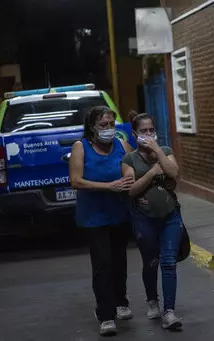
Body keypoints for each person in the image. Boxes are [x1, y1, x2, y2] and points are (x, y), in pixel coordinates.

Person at [70, 106, 134, 336]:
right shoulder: (81, 147)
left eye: (111, 125)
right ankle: (105, 314)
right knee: (102, 265)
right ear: (92, 127)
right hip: (94, 216)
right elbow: (76, 181)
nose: (109, 130)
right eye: (103, 125)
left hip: (118, 213)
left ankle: (121, 301)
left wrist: (128, 178)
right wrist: (109, 186)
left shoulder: (121, 145)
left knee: (119, 261)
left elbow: (131, 169)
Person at [121, 112, 183, 330]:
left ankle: (169, 312)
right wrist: (152, 173)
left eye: (151, 130)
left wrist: (157, 151)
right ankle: (152, 300)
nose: (148, 134)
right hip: (144, 219)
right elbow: (131, 191)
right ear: (135, 133)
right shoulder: (129, 160)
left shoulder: (164, 151)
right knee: (151, 262)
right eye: (143, 131)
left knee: (168, 262)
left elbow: (174, 173)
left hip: (170, 217)